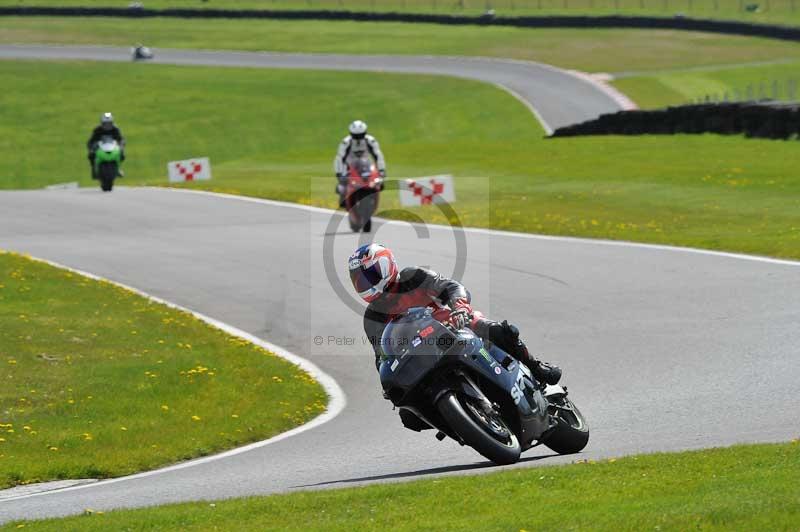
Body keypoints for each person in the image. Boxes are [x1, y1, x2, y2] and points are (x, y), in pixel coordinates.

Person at [348, 243, 562, 385]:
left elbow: (451, 286)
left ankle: (535, 367)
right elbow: (382, 356)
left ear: (386, 265)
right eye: (360, 280)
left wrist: (460, 307)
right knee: (409, 415)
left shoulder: (413, 276)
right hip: (421, 356)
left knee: (498, 330)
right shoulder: (372, 317)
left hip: (455, 325)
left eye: (370, 275)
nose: (365, 283)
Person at [334, 120, 386, 207]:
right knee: (342, 186)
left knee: (378, 181)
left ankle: (372, 195)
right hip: (349, 166)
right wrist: (339, 174)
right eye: (355, 136)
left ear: (365, 133)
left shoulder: (371, 141)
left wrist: (381, 170)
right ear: (351, 134)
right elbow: (339, 158)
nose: (358, 138)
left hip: (365, 164)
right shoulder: (346, 142)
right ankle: (345, 196)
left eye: (360, 135)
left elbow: (378, 156)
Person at [87, 112, 125, 178]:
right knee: (91, 155)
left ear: (112, 123)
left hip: (112, 147)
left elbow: (121, 139)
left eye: (109, 124)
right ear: (102, 123)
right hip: (100, 148)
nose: (107, 126)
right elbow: (91, 140)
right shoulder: (97, 130)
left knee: (122, 155)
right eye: (105, 124)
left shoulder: (115, 129)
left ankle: (117, 169)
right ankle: (94, 169)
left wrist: (121, 145)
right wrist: (91, 148)